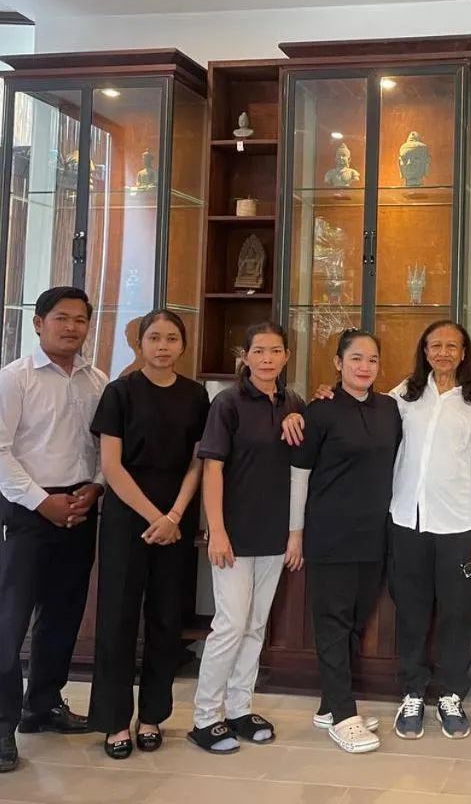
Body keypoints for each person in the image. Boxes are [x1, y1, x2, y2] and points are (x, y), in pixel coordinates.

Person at [0, 286, 108, 773]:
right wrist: (41, 501)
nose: (71, 327)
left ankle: (44, 705)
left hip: (79, 505)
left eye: (80, 320)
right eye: (61, 318)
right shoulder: (14, 380)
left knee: (64, 613)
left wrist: (93, 489)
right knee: (9, 622)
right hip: (29, 510)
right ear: (38, 323)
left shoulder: (97, 381)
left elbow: (101, 449)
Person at [87, 310, 209, 759]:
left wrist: (174, 514)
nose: (162, 345)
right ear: (139, 344)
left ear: (183, 345)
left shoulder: (197, 396)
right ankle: (115, 720)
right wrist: (154, 515)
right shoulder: (119, 392)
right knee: (117, 617)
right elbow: (111, 466)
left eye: (171, 338)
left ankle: (153, 715)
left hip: (176, 515)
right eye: (153, 337)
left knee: (165, 619)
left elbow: (200, 460)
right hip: (126, 514)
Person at [187, 322, 305, 754]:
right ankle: (205, 718)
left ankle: (239, 709)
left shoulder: (293, 402)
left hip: (275, 535)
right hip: (233, 534)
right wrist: (215, 530)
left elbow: (300, 468)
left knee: (255, 626)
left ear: (287, 356)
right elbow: (212, 468)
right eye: (259, 351)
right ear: (246, 356)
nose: (267, 359)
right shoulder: (228, 403)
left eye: (276, 351)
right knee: (230, 625)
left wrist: (295, 534)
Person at [388, 321, 471, 741]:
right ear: (425, 350)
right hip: (407, 522)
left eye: (452, 346)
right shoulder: (405, 394)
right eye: (435, 345)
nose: (443, 352)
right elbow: (365, 414)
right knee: (412, 612)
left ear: (464, 352)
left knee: (458, 613)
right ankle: (413, 692)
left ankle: (451, 693)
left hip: (459, 525)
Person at [291, 329, 401, 754]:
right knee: (332, 623)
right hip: (329, 533)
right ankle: (342, 714)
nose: (364, 367)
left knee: (355, 621)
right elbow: (299, 475)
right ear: (338, 363)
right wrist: (295, 533)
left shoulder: (390, 408)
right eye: (355, 358)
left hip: (374, 536)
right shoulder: (318, 411)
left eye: (372, 360)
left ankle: (328, 704)